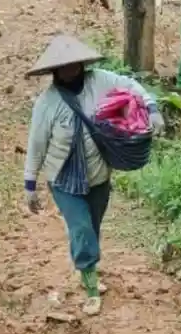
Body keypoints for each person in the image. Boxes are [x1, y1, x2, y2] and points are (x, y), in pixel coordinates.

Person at [23, 34, 164, 316]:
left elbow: (131, 86)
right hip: (63, 180)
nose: (69, 71)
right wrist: (30, 185)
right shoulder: (47, 104)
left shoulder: (100, 81)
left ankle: (86, 268)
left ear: (81, 64)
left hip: (99, 173)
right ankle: (90, 289)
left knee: (93, 228)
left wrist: (152, 109)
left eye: (74, 65)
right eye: (63, 67)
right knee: (82, 230)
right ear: (54, 71)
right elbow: (36, 145)